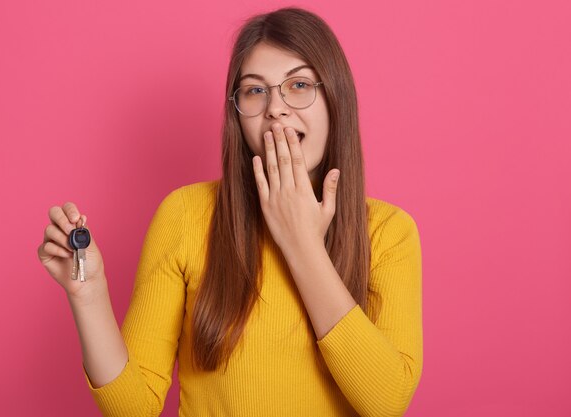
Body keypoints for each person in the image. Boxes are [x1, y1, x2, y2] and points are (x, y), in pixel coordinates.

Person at [37, 6, 423, 417]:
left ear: (336, 99)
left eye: (298, 84)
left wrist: (302, 244)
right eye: (256, 90)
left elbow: (386, 402)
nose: (275, 107)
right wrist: (89, 295)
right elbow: (134, 407)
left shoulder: (388, 232)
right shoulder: (185, 215)